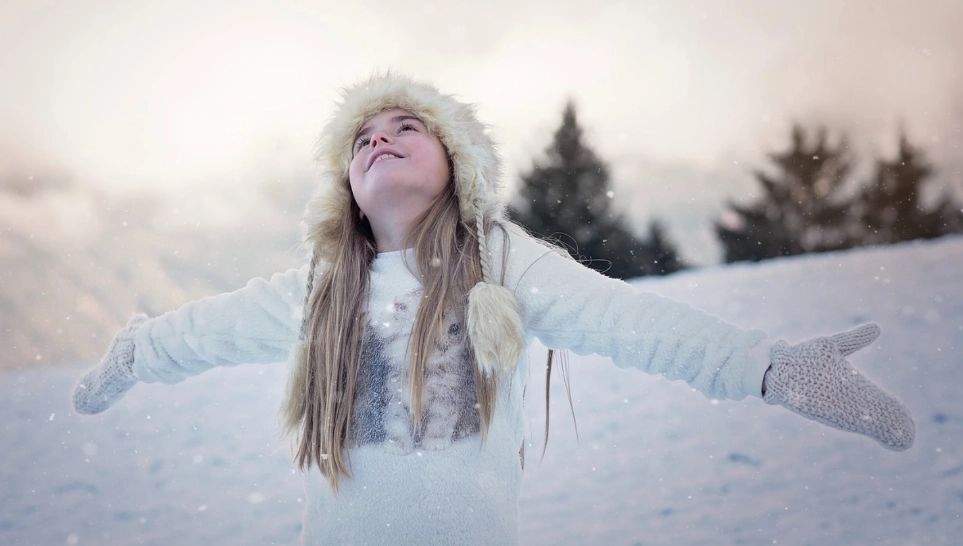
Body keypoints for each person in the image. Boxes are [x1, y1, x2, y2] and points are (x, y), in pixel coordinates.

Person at [71, 71, 916, 545]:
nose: (379, 139)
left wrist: (768, 367)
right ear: (348, 193)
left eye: (407, 126)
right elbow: (209, 329)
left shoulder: (501, 261)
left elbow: (632, 322)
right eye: (362, 140)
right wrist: (139, 351)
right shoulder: (322, 289)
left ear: (457, 163)